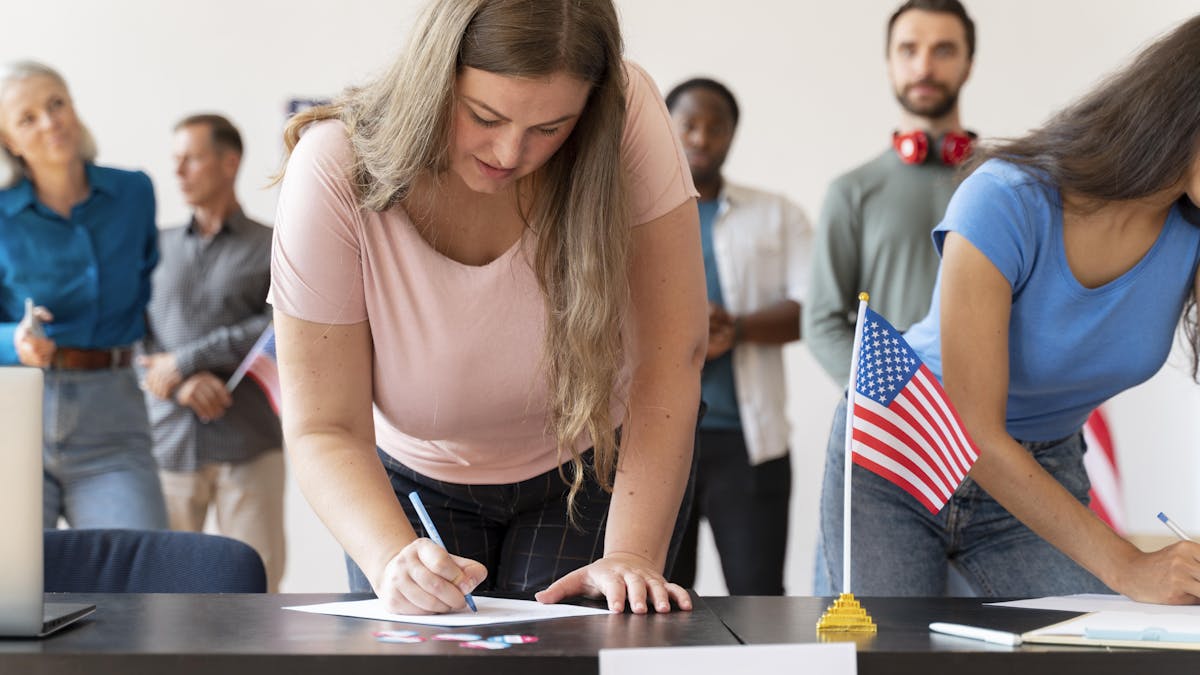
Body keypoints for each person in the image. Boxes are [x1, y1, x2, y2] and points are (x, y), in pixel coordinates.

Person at [270, 0, 706, 615]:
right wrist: (390, 558)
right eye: (483, 116)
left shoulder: (627, 110)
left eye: (550, 129)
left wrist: (632, 555)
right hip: (413, 480)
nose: (508, 153)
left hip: (594, 467)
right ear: (433, 80)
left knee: (570, 653)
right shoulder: (333, 165)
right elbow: (324, 425)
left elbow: (673, 355)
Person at [818, 13, 1200, 601]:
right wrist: (1127, 565)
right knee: (890, 659)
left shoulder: (1192, 235)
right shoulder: (1006, 198)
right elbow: (975, 431)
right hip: (907, 449)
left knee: (1098, 650)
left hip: (1042, 468)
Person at [0, 61, 167, 530]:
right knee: (10, 593)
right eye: (27, 118)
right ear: (8, 142)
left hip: (112, 417)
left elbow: (148, 287)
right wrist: (15, 340)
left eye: (56, 104)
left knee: (140, 582)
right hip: (16, 417)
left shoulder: (134, 193)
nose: (50, 122)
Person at [663, 77, 810, 595]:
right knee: (655, 603)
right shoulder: (629, 214)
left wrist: (737, 328)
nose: (701, 138)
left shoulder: (778, 214)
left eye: (715, 127)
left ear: (732, 135)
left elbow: (813, 309)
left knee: (759, 597)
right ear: (666, 129)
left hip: (749, 446)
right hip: (657, 441)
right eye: (688, 125)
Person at [139, 114, 284, 590]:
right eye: (175, 160)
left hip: (248, 444)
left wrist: (187, 358)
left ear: (229, 162)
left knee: (256, 583)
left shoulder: (273, 245)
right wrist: (181, 383)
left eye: (193, 158)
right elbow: (136, 331)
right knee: (162, 591)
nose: (179, 171)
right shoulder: (155, 247)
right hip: (169, 444)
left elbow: (280, 324)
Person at [805, 0, 976, 386]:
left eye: (944, 50)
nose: (924, 67)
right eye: (908, 49)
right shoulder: (851, 191)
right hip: (892, 425)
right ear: (889, 63)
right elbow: (821, 322)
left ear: (969, 65)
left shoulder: (1009, 185)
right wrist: (890, 395)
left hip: (997, 416)